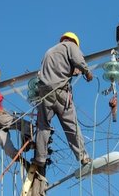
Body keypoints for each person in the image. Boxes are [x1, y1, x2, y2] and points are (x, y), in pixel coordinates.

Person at [33, 32, 93, 169]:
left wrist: (72, 71)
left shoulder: (49, 51)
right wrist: (87, 72)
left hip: (44, 93)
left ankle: (40, 158)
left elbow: (56, 69)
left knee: (43, 125)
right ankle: (83, 157)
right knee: (71, 125)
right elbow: (78, 60)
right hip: (60, 92)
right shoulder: (70, 46)